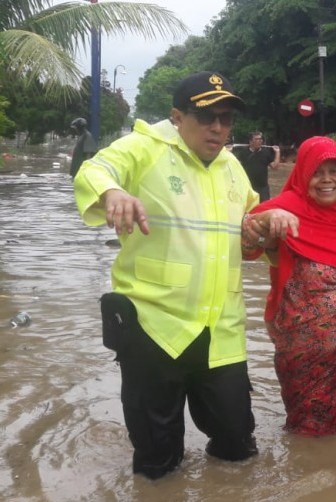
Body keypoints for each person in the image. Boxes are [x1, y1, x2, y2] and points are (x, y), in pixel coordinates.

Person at [73, 71, 298, 479]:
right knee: (158, 464)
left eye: (226, 118)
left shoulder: (232, 167)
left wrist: (267, 225)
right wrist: (114, 193)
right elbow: (94, 168)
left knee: (237, 447)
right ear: (177, 117)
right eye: (206, 115)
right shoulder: (144, 148)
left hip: (221, 330)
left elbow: (251, 231)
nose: (218, 127)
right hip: (154, 327)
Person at [241, 136, 336, 435]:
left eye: (335, 171)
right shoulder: (286, 207)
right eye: (318, 172)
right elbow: (246, 242)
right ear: (303, 173)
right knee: (309, 433)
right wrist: (266, 219)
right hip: (305, 356)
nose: (327, 180)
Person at [234, 131, 280, 202]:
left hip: (263, 188)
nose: (260, 141)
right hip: (247, 187)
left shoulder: (266, 153)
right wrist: (228, 152)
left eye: (260, 139)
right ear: (251, 141)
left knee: (264, 209)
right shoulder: (243, 153)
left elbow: (275, 167)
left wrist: (277, 152)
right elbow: (235, 167)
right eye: (257, 139)